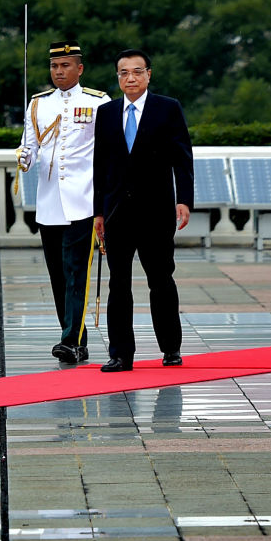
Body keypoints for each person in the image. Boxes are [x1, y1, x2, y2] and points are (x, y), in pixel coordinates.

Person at [93, 49, 194, 372]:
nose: (131, 78)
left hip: (156, 210)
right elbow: (100, 166)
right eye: (124, 73)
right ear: (118, 77)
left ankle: (171, 348)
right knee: (118, 283)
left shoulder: (168, 108)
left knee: (161, 279)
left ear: (149, 74)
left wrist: (184, 200)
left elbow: (183, 158)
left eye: (137, 71)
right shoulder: (106, 113)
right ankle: (120, 354)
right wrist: (98, 212)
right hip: (117, 212)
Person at [17, 40, 110, 364]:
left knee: (76, 272)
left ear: (79, 68)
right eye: (55, 66)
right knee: (58, 275)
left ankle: (69, 339)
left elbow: (108, 153)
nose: (59, 71)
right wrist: (24, 158)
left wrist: (105, 203)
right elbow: (28, 149)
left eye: (66, 65)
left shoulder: (98, 101)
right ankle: (77, 341)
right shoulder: (38, 104)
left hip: (83, 201)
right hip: (49, 203)